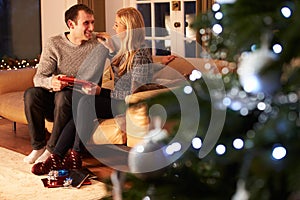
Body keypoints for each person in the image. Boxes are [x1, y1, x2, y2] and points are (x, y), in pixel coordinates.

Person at [31, 7, 176, 175]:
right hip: (119, 98)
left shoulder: (140, 52)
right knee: (83, 103)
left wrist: (101, 92)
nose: (113, 28)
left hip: (130, 103)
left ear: (127, 28)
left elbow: (132, 93)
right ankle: (59, 156)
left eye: (117, 25)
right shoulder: (123, 50)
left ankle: (72, 154)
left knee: (86, 101)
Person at [23, 4, 112, 164]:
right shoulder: (54, 43)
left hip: (79, 103)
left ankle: (52, 150)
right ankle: (38, 147)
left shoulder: (100, 43)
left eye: (93, 22)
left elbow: (124, 60)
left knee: (64, 96)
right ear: (71, 24)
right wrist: (51, 82)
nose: (91, 28)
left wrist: (112, 47)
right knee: (31, 94)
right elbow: (39, 78)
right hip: (56, 102)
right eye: (86, 23)